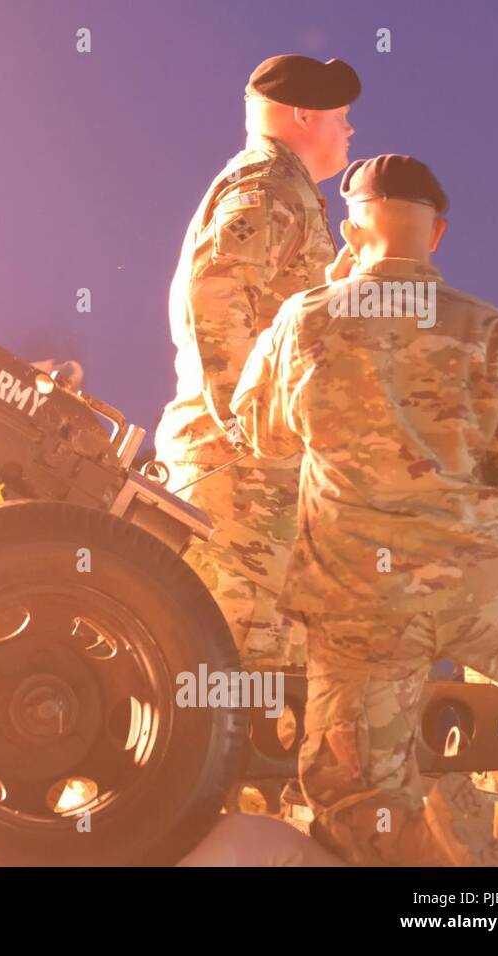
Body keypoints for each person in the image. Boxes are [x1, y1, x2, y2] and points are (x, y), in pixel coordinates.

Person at [230, 153, 498, 866]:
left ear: (353, 232)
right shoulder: (494, 334)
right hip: (477, 585)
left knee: (357, 789)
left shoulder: (306, 323)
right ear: (439, 234)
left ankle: (424, 881)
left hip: (361, 601)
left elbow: (258, 434)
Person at [153, 54, 359, 671]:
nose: (350, 131)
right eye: (341, 118)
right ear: (303, 115)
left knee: (271, 667)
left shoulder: (285, 189)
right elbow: (213, 298)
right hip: (239, 480)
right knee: (234, 664)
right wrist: (252, 425)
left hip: (261, 477)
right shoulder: (267, 187)